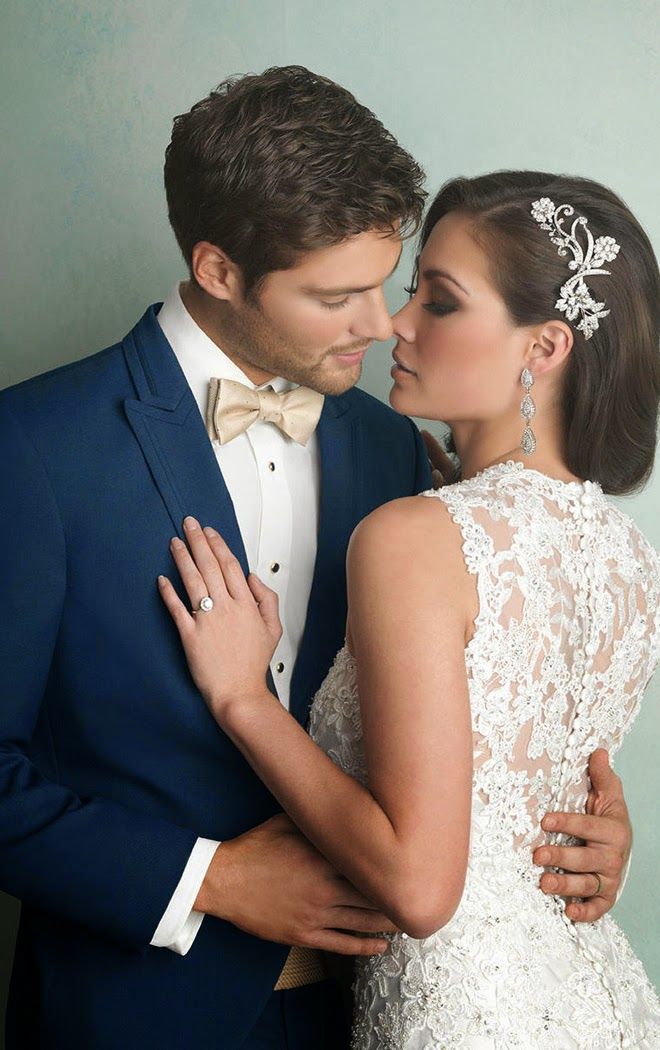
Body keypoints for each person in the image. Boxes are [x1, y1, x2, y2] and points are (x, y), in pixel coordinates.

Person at [0, 64, 631, 1049]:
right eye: (337, 295)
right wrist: (203, 879)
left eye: (389, 283)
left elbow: (481, 692)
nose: (381, 326)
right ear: (217, 271)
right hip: (140, 1011)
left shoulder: (400, 453)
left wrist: (587, 817)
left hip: (374, 1005)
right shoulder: (34, 449)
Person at [160, 169, 660, 1048]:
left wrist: (244, 701)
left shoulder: (417, 536)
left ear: (543, 349)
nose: (394, 321)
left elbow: (422, 888)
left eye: (440, 300)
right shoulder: (627, 557)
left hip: (461, 1013)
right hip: (594, 999)